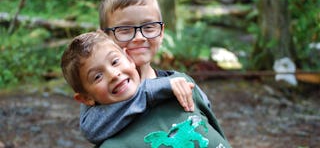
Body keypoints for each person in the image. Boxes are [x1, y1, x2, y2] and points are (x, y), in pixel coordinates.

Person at [81, 0, 231, 147]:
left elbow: (210, 121)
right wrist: (154, 89)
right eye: (125, 29)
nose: (139, 37)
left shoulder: (183, 82)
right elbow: (91, 129)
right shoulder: (103, 102)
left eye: (149, 27)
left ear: (161, 32)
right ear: (105, 37)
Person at [61, 31, 231, 148]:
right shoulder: (110, 141)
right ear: (85, 99)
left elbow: (212, 123)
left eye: (114, 62)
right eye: (97, 76)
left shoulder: (180, 84)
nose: (113, 74)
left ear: (128, 58)